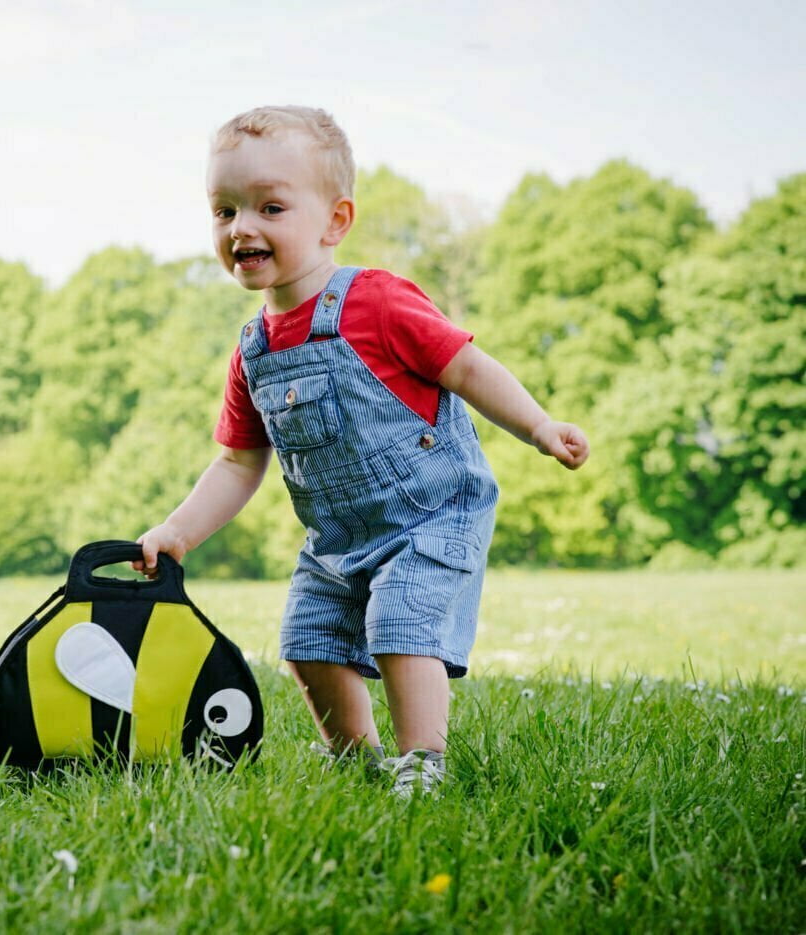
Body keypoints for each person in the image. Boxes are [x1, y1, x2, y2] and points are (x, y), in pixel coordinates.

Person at [133, 106, 589, 798]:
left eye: (270, 206)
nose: (242, 227)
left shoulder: (375, 301)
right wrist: (178, 529)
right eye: (224, 210)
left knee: (399, 622)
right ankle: (356, 761)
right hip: (337, 537)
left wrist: (539, 427)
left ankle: (421, 761)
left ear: (334, 221)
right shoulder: (253, 350)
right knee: (308, 640)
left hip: (430, 515)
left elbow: (465, 366)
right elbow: (236, 463)